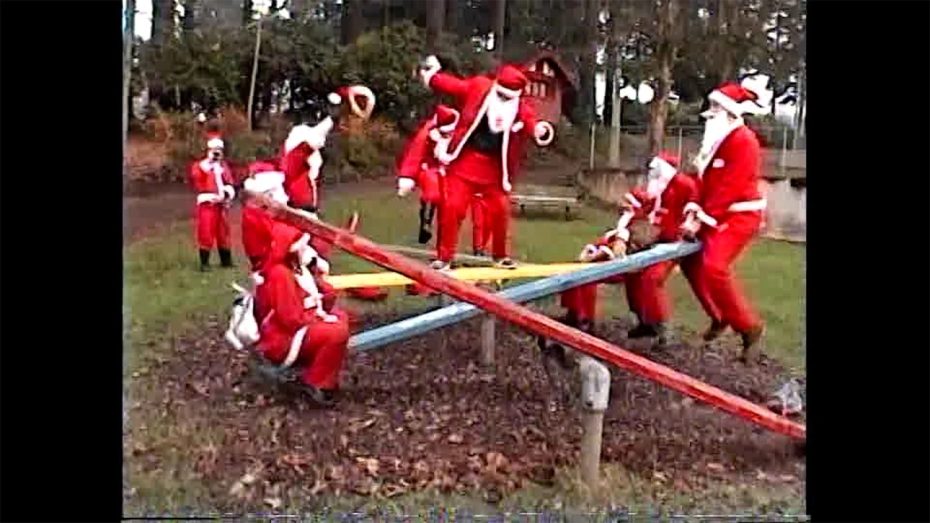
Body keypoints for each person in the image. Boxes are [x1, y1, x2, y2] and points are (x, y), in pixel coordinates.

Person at [418, 56, 556, 271]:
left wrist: (540, 130)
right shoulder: (479, 88)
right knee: (452, 207)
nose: (502, 100)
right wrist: (432, 77)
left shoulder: (518, 106)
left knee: (500, 211)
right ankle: (444, 257)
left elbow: (531, 121)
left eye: (507, 98)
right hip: (465, 162)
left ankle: (500, 256)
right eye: (500, 95)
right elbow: (454, 86)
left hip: (494, 170)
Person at [556, 152, 699, 345]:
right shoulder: (650, 198)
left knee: (648, 277)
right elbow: (633, 224)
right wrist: (615, 240)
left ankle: (656, 326)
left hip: (661, 245)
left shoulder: (678, 190)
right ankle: (580, 315)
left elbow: (693, 201)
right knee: (585, 264)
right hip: (636, 242)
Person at [679, 81, 767, 362]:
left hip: (741, 214)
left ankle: (749, 328)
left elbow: (729, 187)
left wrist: (702, 220)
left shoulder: (744, 142)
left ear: (730, 112)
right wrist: (693, 212)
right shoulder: (718, 140)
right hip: (719, 212)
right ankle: (719, 317)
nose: (709, 113)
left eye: (716, 107)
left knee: (714, 266)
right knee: (691, 262)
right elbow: (703, 182)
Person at [253, 221, 351, 406]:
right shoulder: (280, 274)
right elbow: (291, 319)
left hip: (296, 328)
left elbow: (321, 298)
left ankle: (324, 374)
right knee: (336, 332)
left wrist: (320, 285)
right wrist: (320, 319)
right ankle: (315, 384)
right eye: (303, 245)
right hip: (283, 338)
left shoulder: (295, 268)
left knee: (341, 318)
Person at [280, 85, 375, 214]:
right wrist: (345, 101)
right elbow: (317, 134)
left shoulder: (306, 146)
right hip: (300, 209)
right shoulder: (303, 138)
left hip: (301, 207)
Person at [189, 132, 236, 270]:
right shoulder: (200, 166)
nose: (216, 154)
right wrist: (209, 167)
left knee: (224, 232)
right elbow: (197, 181)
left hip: (221, 204)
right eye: (214, 151)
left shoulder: (223, 166)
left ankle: (226, 261)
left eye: (219, 151)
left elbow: (229, 181)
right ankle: (204, 263)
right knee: (206, 231)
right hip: (207, 204)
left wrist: (227, 194)